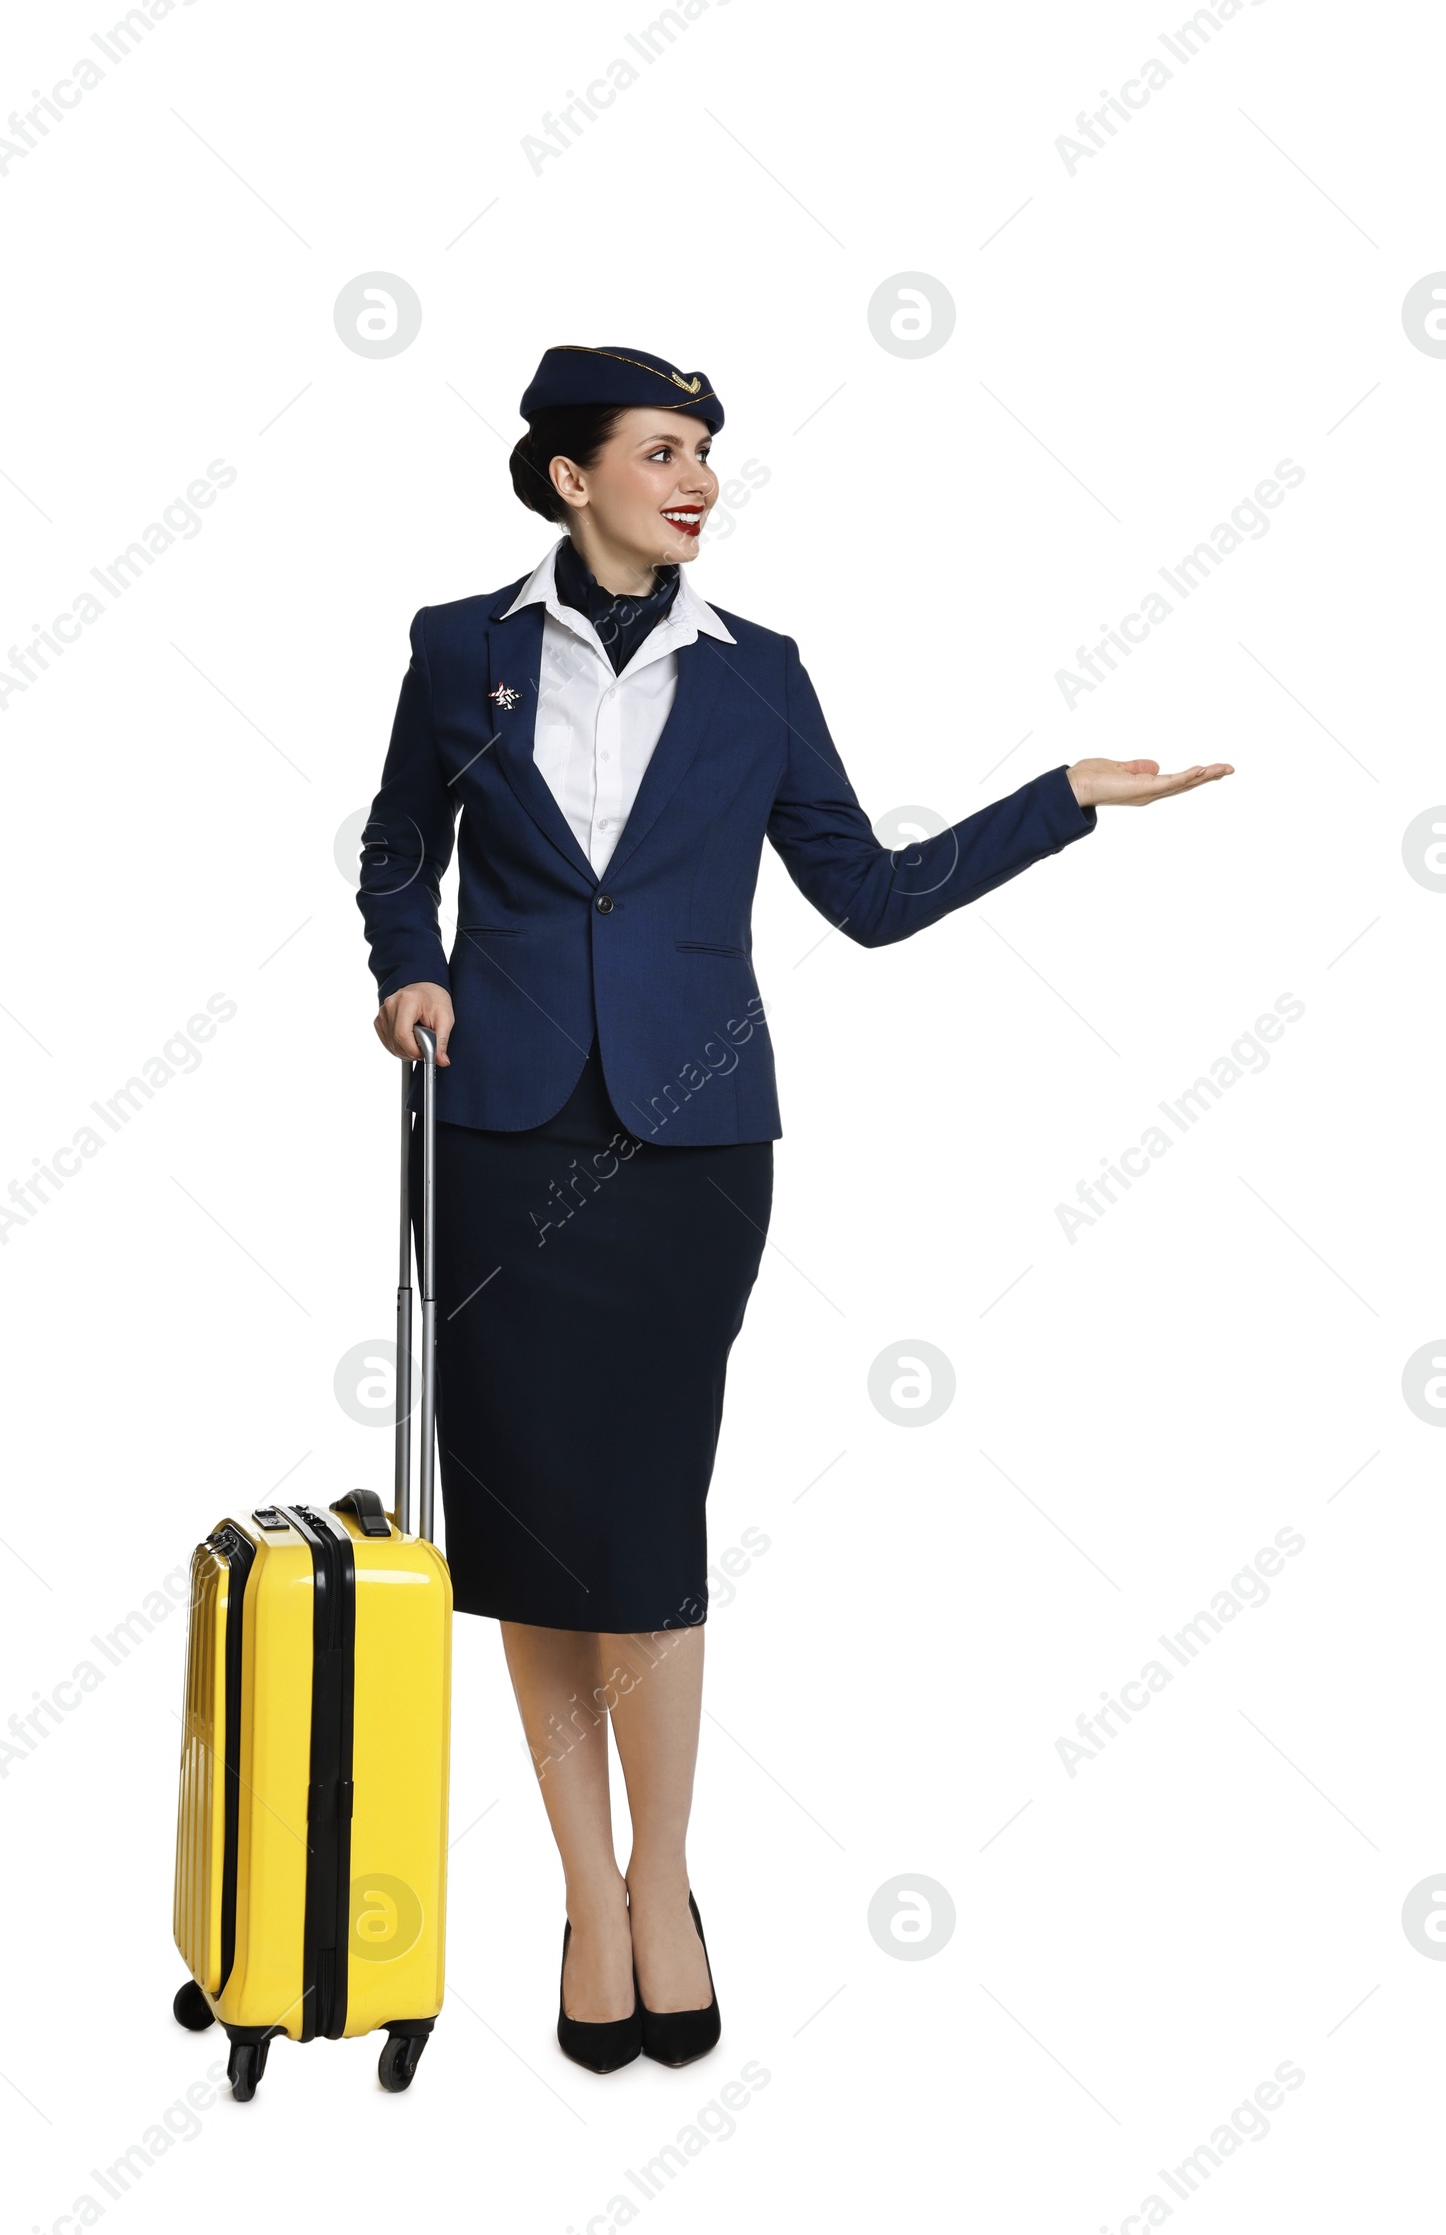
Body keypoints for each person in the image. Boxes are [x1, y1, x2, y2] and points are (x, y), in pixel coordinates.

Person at [356, 342, 1232, 2073]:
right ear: (567, 476)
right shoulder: (458, 650)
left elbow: (870, 894)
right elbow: (396, 845)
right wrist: (410, 969)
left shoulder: (762, 676)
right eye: (661, 451)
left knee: (647, 1523)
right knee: (529, 1534)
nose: (695, 481)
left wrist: (1059, 802)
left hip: (688, 1154)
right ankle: (583, 1904)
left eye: (706, 455)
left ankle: (662, 1884)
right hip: (502, 1136)